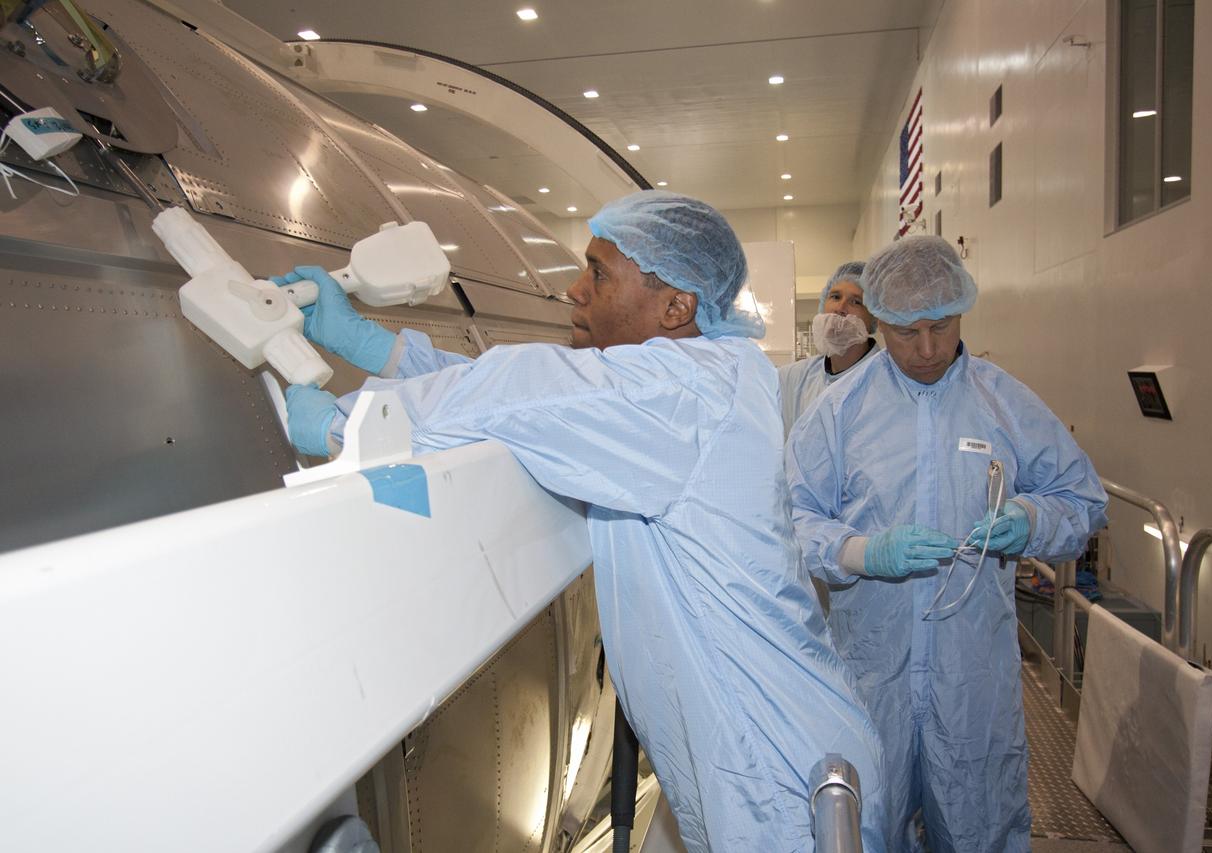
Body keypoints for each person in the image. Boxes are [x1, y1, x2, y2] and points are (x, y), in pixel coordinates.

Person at [279, 191, 888, 853]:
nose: (574, 291)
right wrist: (376, 348)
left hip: (783, 775)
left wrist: (344, 424)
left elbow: (525, 393)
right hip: (766, 753)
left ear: (676, 305)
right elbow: (535, 402)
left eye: (598, 273)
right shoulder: (698, 375)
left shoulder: (677, 394)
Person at [786, 235, 1108, 853]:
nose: (928, 349)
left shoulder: (1003, 402)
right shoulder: (839, 412)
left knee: (979, 827)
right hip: (870, 673)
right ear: (877, 320)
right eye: (907, 333)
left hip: (973, 679)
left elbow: (1084, 499)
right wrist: (860, 552)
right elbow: (794, 519)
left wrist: (1032, 518)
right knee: (868, 827)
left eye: (943, 326)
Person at [778, 262, 880, 437]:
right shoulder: (794, 378)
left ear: (874, 318)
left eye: (856, 302)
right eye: (835, 297)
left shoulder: (885, 377)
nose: (840, 308)